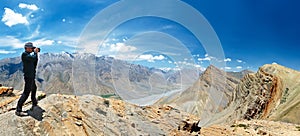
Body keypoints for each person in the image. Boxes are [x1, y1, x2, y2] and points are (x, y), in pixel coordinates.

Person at [15, 42, 39, 116]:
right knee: (26, 93)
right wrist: (35, 53)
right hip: (28, 77)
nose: (32, 49)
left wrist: (36, 54)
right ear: (27, 48)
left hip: (31, 76)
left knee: (34, 88)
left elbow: (35, 61)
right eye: (31, 48)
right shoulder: (25, 55)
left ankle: (34, 103)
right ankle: (18, 110)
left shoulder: (29, 56)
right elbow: (33, 58)